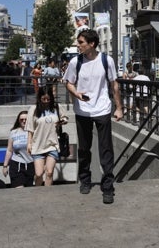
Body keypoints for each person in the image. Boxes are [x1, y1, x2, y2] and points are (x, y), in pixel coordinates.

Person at [63, 29, 122, 204]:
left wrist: (119, 108)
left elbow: (114, 85)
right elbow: (68, 83)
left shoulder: (106, 60)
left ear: (92, 44)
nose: (78, 45)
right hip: (82, 111)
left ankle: (108, 187)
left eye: (81, 42)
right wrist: (76, 94)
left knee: (106, 149)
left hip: (102, 109)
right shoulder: (75, 62)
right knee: (84, 148)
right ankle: (85, 180)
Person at [27, 87, 67, 186]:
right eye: (43, 99)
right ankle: (37, 192)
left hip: (52, 144)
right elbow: (30, 128)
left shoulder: (56, 107)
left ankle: (47, 194)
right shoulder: (34, 109)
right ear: (39, 98)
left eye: (48, 99)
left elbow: (65, 117)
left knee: (49, 173)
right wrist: (29, 143)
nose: (46, 101)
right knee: (39, 173)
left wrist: (62, 121)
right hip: (38, 145)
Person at [2, 110, 35, 187]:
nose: (24, 121)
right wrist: (5, 166)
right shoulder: (14, 132)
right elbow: (9, 150)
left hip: (30, 164)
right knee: (19, 190)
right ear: (18, 120)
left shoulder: (34, 132)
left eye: (26, 119)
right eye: (21, 119)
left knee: (28, 191)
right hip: (16, 165)